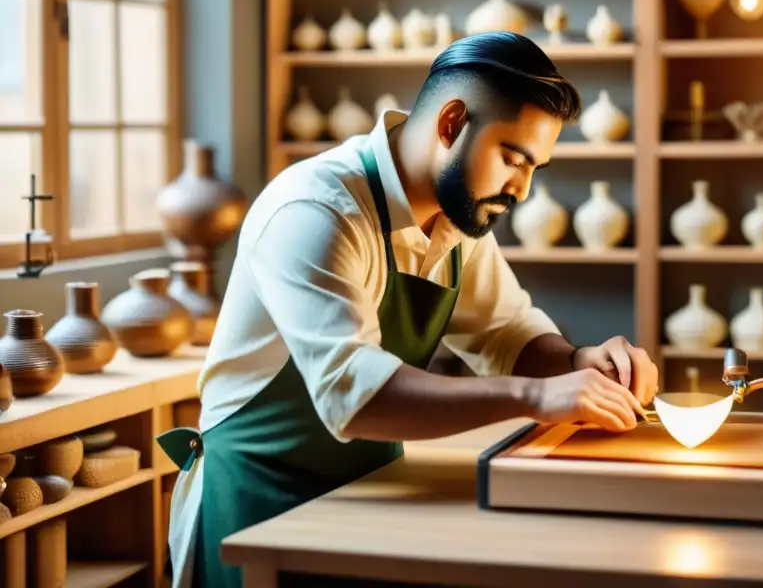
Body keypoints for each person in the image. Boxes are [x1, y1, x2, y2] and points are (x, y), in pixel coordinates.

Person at [158, 31, 660, 588]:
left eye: (534, 169)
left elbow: (506, 334)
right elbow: (354, 394)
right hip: (257, 504)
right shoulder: (317, 209)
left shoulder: (457, 216)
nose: (520, 191)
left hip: (368, 495)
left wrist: (578, 363)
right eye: (512, 158)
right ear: (451, 124)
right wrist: (539, 397)